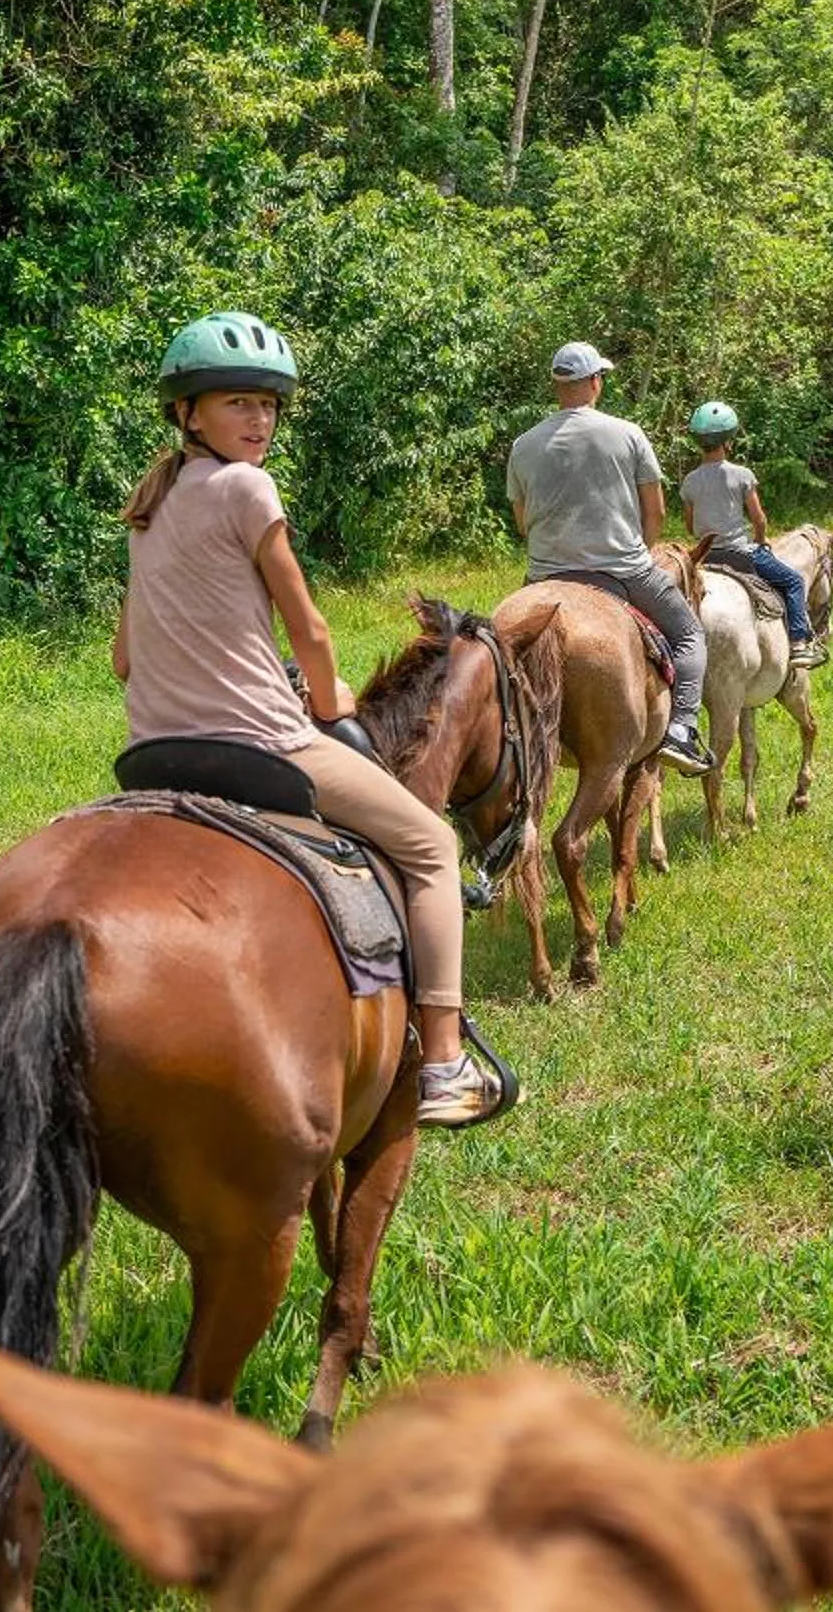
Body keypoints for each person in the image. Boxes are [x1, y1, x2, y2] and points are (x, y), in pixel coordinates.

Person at [113, 311, 511, 1128]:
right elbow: (310, 627)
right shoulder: (249, 488)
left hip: (152, 750)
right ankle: (442, 1062)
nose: (258, 421)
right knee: (433, 847)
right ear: (188, 412)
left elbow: (123, 658)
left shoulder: (150, 504)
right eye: (236, 404)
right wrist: (331, 708)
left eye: (269, 407)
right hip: (262, 744)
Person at [506, 342, 716, 775]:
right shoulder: (627, 434)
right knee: (690, 634)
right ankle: (681, 732)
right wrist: (640, 549)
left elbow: (523, 523)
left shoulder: (524, 445)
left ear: (557, 384)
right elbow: (654, 511)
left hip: (544, 575)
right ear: (595, 382)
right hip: (622, 570)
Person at [678, 401, 827, 668]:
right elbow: (759, 519)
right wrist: (761, 541)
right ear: (728, 441)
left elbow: (690, 527)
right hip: (740, 554)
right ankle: (798, 644)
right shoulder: (742, 475)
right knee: (793, 581)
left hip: (705, 558)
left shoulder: (689, 481)